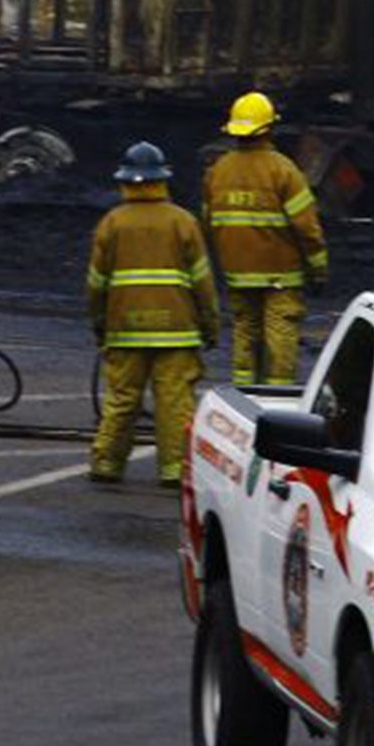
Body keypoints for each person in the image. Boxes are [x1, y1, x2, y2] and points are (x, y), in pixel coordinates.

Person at [86, 141, 218, 487]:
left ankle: (107, 465)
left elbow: (96, 284)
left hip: (125, 330)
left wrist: (100, 324)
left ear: (125, 181)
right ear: (163, 180)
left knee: (122, 400)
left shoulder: (111, 224)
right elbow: (203, 283)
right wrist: (210, 325)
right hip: (177, 331)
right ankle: (175, 470)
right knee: (175, 403)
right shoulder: (183, 222)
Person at [203, 90, 329, 387]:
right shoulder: (283, 170)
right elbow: (307, 228)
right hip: (281, 275)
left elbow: (209, 222)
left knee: (244, 331)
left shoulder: (218, 171)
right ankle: (277, 398)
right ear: (269, 128)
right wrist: (319, 270)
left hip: (237, 273)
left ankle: (244, 393)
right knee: (280, 334)